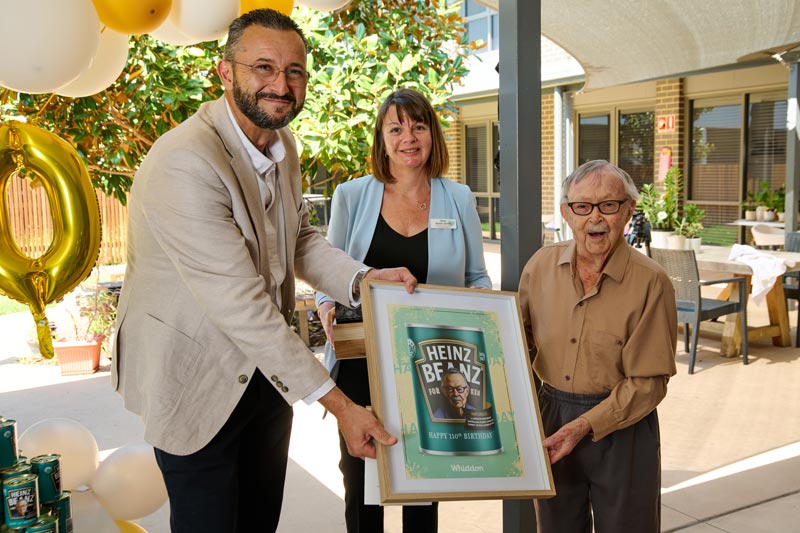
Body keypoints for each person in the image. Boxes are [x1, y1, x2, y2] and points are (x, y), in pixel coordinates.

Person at [112, 9, 417, 533]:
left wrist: (363, 279)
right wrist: (342, 406)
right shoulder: (185, 162)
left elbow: (298, 239)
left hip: (266, 383)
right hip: (195, 383)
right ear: (225, 72)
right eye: (264, 67)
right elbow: (242, 305)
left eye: (295, 70)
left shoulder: (283, 144)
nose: (281, 84)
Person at [316, 88, 492, 533]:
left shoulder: (459, 198)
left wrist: (489, 316)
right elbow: (328, 271)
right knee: (362, 487)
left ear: (432, 133)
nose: (408, 137)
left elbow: (476, 278)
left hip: (436, 363)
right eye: (396, 128)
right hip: (362, 363)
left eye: (418, 126)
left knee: (424, 485)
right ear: (382, 137)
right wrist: (323, 305)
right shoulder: (351, 196)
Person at [518, 159, 677, 532]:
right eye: (582, 206)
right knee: (556, 526)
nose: (596, 218)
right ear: (566, 213)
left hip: (624, 428)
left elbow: (649, 384)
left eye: (609, 205)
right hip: (552, 415)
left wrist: (584, 426)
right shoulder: (540, 266)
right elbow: (512, 345)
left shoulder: (651, 282)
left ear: (628, 211)